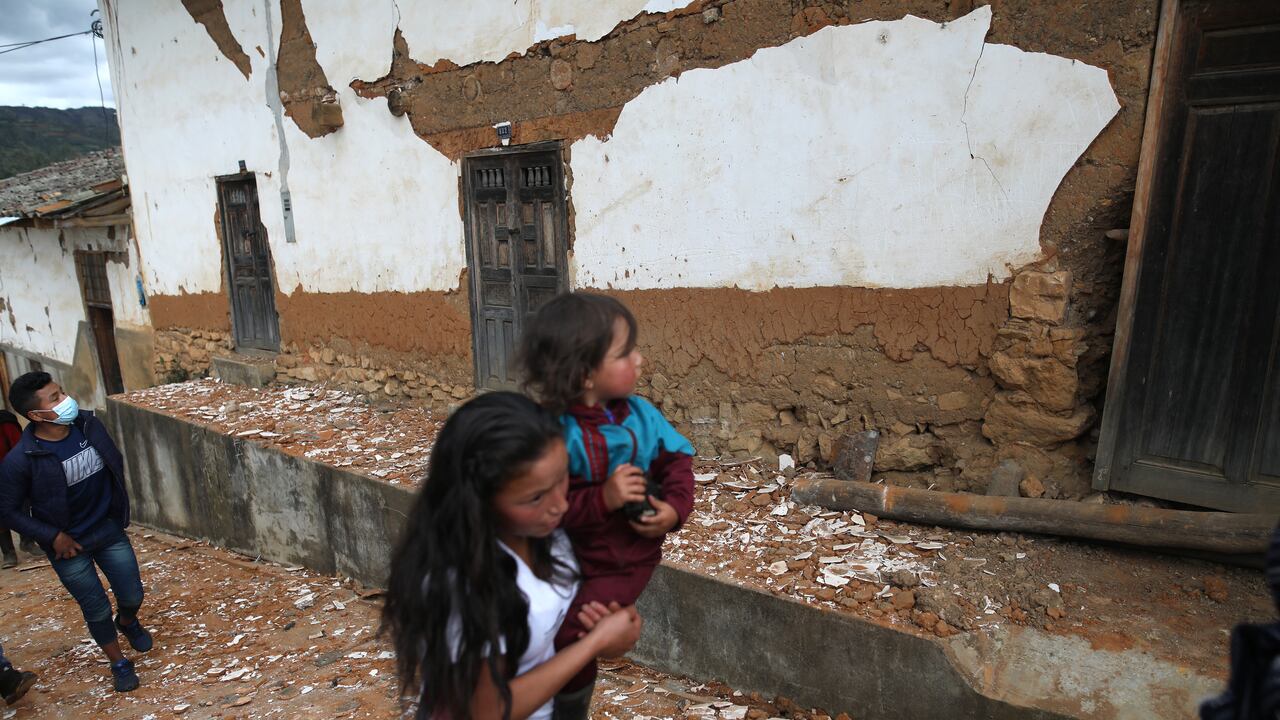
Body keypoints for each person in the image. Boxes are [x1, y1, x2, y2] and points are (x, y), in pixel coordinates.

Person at [382, 391, 642, 720]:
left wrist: (611, 625)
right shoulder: (465, 584)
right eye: (534, 498)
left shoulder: (547, 533)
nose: (560, 505)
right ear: (478, 502)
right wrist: (593, 645)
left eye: (562, 478)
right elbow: (488, 711)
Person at [518, 292, 696, 718]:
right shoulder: (554, 431)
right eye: (624, 353)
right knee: (532, 626)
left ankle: (568, 706)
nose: (639, 360)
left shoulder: (642, 415)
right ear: (584, 375)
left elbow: (677, 461)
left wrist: (673, 510)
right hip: (560, 552)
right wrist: (603, 498)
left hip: (621, 560)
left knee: (570, 632)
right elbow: (545, 507)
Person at [0, 373, 151, 693]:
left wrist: (115, 510)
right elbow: (8, 511)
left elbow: (114, 463)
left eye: (61, 392)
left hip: (107, 531)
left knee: (133, 594)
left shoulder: (88, 425)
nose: (66, 400)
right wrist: (52, 536)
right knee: (95, 606)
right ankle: (118, 663)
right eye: (55, 398)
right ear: (36, 416)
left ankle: (126, 622)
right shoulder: (21, 460)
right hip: (69, 548)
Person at [0, 408, 24, 568]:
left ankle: (27, 541)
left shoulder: (4, 422)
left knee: (22, 507)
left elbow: (17, 447)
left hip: (9, 474)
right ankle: (8, 552)